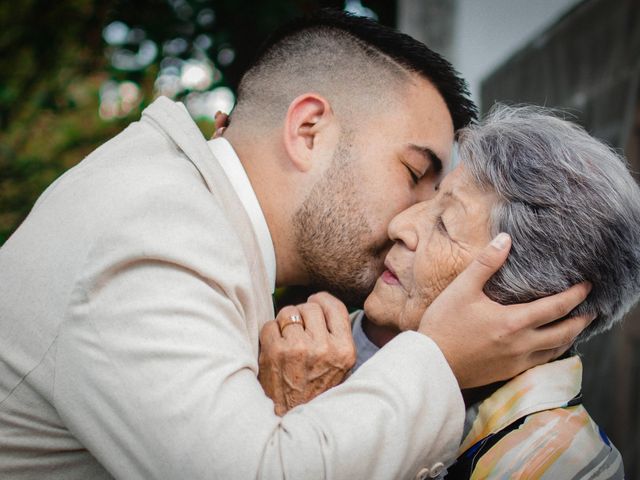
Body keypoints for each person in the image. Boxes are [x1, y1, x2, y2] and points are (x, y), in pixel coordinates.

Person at [0, 11, 591, 480]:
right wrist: (440, 358)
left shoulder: (182, 214)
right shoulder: (155, 237)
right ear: (308, 131)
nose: (411, 220)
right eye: (414, 174)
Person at [260, 105, 639, 479]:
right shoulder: (313, 352)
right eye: (431, 196)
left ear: (525, 301)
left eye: (444, 224)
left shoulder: (558, 463)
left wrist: (301, 426)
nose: (400, 225)